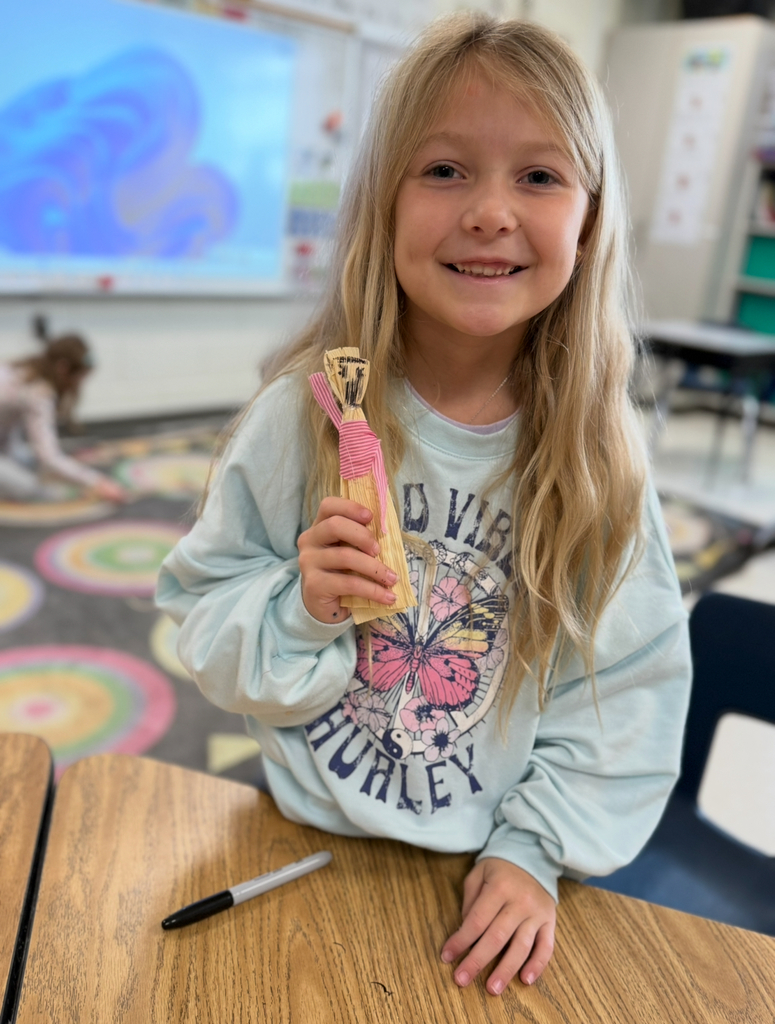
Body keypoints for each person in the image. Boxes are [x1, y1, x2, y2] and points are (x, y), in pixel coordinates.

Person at [157, 14, 691, 998]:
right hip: (297, 828)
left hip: (484, 881)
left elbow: (625, 692)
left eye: (538, 176)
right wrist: (299, 605)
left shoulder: (597, 463)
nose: (490, 211)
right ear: (381, 202)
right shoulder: (300, 420)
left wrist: (536, 850)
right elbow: (203, 616)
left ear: (588, 215)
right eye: (445, 170)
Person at [0, 318, 126, 503]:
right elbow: (49, 458)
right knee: (31, 489)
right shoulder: (37, 391)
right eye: (78, 379)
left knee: (31, 462)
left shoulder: (25, 370)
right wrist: (97, 482)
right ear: (63, 369)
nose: (77, 386)